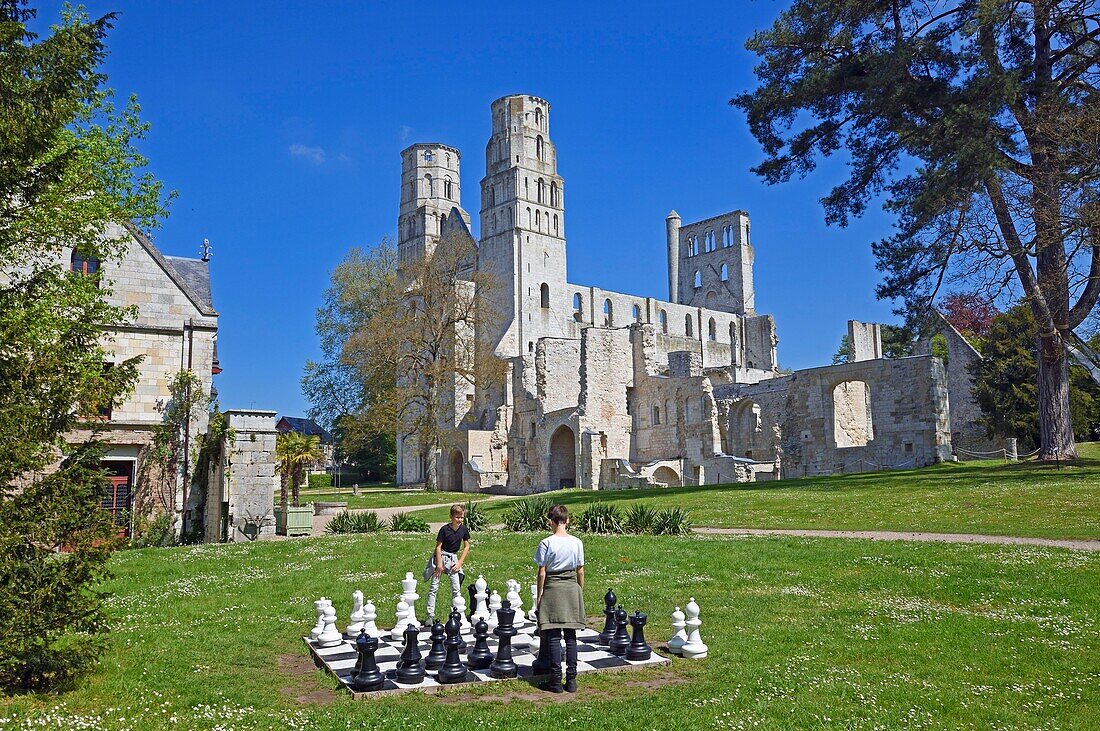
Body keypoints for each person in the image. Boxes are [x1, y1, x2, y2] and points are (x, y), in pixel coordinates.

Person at [534, 504, 585, 693]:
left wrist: (539, 595)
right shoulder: (577, 542)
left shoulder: (546, 543)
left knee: (554, 636)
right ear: (568, 520)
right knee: (571, 636)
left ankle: (555, 681)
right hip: (572, 586)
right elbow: (580, 570)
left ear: (551, 522)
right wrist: (579, 590)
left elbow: (541, 573)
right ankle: (571, 680)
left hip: (553, 587)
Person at [423, 504, 471, 623]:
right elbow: (438, 547)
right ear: (451, 516)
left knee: (456, 588)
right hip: (441, 557)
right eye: (457, 517)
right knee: (434, 588)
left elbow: (467, 546)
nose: (459, 520)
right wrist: (439, 565)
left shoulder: (464, 529)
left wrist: (459, 563)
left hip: (453, 559)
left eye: (461, 517)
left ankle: (455, 614)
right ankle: (430, 616)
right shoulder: (444, 529)